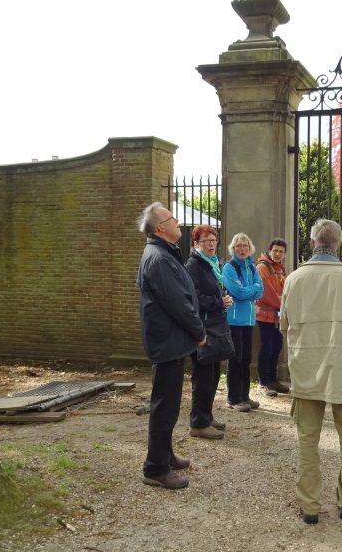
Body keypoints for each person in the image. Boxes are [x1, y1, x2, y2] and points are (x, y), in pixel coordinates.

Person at [280, 219, 342, 525]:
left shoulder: (294, 278)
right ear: (338, 243)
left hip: (306, 366)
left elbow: (284, 324)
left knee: (307, 439)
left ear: (313, 243)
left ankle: (310, 505)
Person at [136, 202, 206, 489]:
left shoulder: (164, 253)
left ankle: (165, 455)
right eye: (172, 218)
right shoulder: (160, 259)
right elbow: (178, 303)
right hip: (167, 342)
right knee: (164, 407)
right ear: (160, 228)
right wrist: (199, 331)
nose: (177, 221)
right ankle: (155, 468)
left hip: (171, 340)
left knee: (170, 404)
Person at [184, 224, 234, 440]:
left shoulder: (215, 263)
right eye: (206, 240)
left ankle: (207, 415)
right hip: (204, 326)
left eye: (213, 240)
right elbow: (193, 298)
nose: (211, 244)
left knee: (213, 374)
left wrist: (224, 298)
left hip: (216, 323)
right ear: (197, 244)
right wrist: (218, 302)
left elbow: (217, 289)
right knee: (203, 375)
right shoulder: (193, 265)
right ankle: (198, 423)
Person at [222, 233, 264, 412]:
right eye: (238, 246)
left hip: (248, 321)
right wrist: (253, 288)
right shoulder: (229, 268)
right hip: (234, 321)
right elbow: (237, 293)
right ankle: (233, 398)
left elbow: (261, 291)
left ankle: (244, 396)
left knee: (246, 359)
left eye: (245, 245)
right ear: (233, 248)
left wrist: (250, 289)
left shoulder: (252, 267)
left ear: (249, 248)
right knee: (235, 359)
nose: (242, 249)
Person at [255, 238, 290, 397]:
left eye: (281, 252)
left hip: (277, 314)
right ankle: (263, 382)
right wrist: (283, 303)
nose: (278, 254)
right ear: (269, 251)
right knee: (266, 347)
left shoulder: (280, 268)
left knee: (277, 346)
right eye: (275, 250)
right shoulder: (262, 267)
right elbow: (267, 292)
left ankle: (273, 379)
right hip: (265, 314)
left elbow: (286, 289)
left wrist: (284, 301)